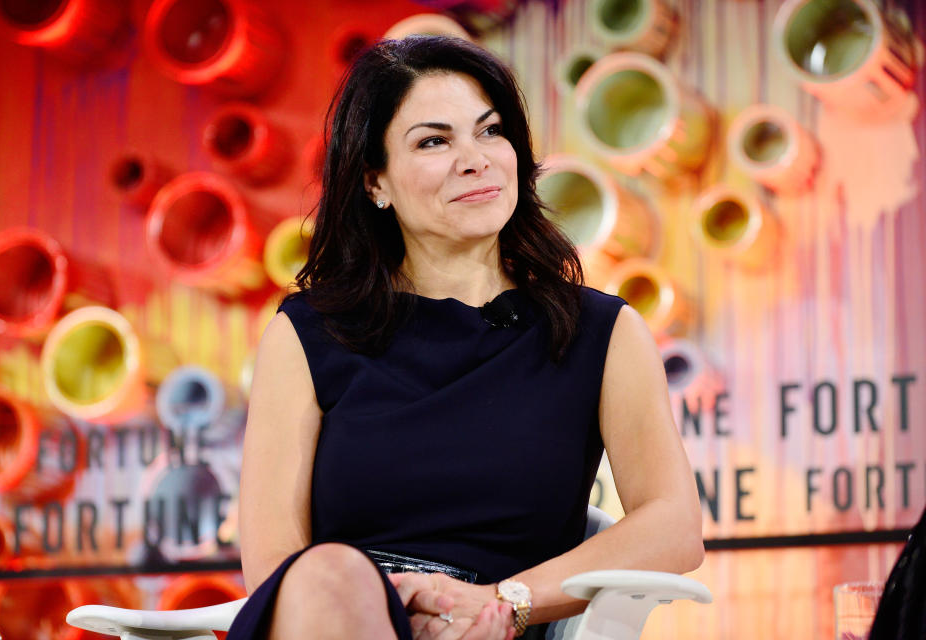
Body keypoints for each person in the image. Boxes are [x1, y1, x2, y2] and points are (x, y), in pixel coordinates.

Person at [230, 35, 703, 640]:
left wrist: (505, 603)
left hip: (493, 625)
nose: (475, 159)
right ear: (375, 182)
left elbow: (674, 526)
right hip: (337, 615)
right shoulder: (308, 333)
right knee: (325, 575)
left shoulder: (600, 333)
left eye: (490, 130)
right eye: (434, 141)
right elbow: (273, 562)